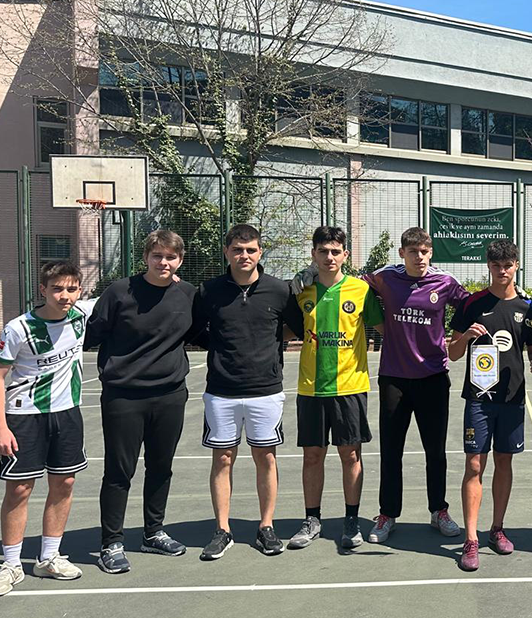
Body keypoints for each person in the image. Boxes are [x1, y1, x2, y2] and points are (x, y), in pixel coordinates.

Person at [85, 230, 195, 574]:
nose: (163, 262)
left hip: (170, 395)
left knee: (161, 467)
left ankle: (153, 532)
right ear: (145, 257)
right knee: (119, 471)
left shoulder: (188, 294)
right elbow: (89, 335)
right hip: (124, 396)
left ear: (180, 260)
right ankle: (111, 542)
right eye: (157, 255)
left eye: (171, 257)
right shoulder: (119, 292)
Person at [0, 261, 93, 597]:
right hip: (24, 416)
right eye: (57, 289)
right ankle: (11, 564)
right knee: (19, 489)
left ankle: (48, 558)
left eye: (71, 289)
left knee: (65, 482)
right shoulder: (18, 328)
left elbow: (129, 290)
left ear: (80, 291)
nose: (64, 296)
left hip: (67, 413)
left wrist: (169, 276)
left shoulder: (81, 315)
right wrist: (0, 427)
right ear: (43, 290)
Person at [191, 223, 296, 560]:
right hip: (221, 391)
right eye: (237, 249)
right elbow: (195, 331)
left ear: (260, 252)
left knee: (265, 457)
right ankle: (222, 530)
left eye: (251, 250)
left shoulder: (279, 290)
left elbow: (295, 327)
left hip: (266, 390)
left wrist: (267, 347)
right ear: (227, 252)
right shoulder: (209, 291)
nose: (244, 255)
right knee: (222, 458)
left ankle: (266, 526)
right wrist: (221, 349)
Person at [448, 240, 532, 571]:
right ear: (488, 266)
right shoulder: (472, 303)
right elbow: (453, 353)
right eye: (496, 265)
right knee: (474, 465)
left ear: (516, 265)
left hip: (512, 398)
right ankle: (471, 539)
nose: (502, 271)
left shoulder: (529, 307)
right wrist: (467, 336)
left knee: (504, 461)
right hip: (479, 398)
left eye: (508, 265)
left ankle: (497, 529)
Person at [365, 228, 468, 544]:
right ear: (402, 254)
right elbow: (351, 285)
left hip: (433, 377)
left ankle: (439, 511)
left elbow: (472, 305)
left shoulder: (444, 281)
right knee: (390, 450)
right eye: (413, 252)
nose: (419, 257)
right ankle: (387, 514)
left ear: (431, 253)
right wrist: (312, 273)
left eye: (424, 251)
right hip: (394, 378)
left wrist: (459, 335)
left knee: (435, 451)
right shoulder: (385, 277)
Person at [284, 226, 383, 551]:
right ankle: (312, 519)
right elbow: (282, 328)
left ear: (345, 255)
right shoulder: (301, 291)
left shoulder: (360, 290)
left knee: (350, 454)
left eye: (335, 251)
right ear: (313, 254)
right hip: (311, 388)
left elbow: (386, 329)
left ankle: (351, 520)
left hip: (350, 387)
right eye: (323, 251)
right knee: (312, 455)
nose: (329, 257)